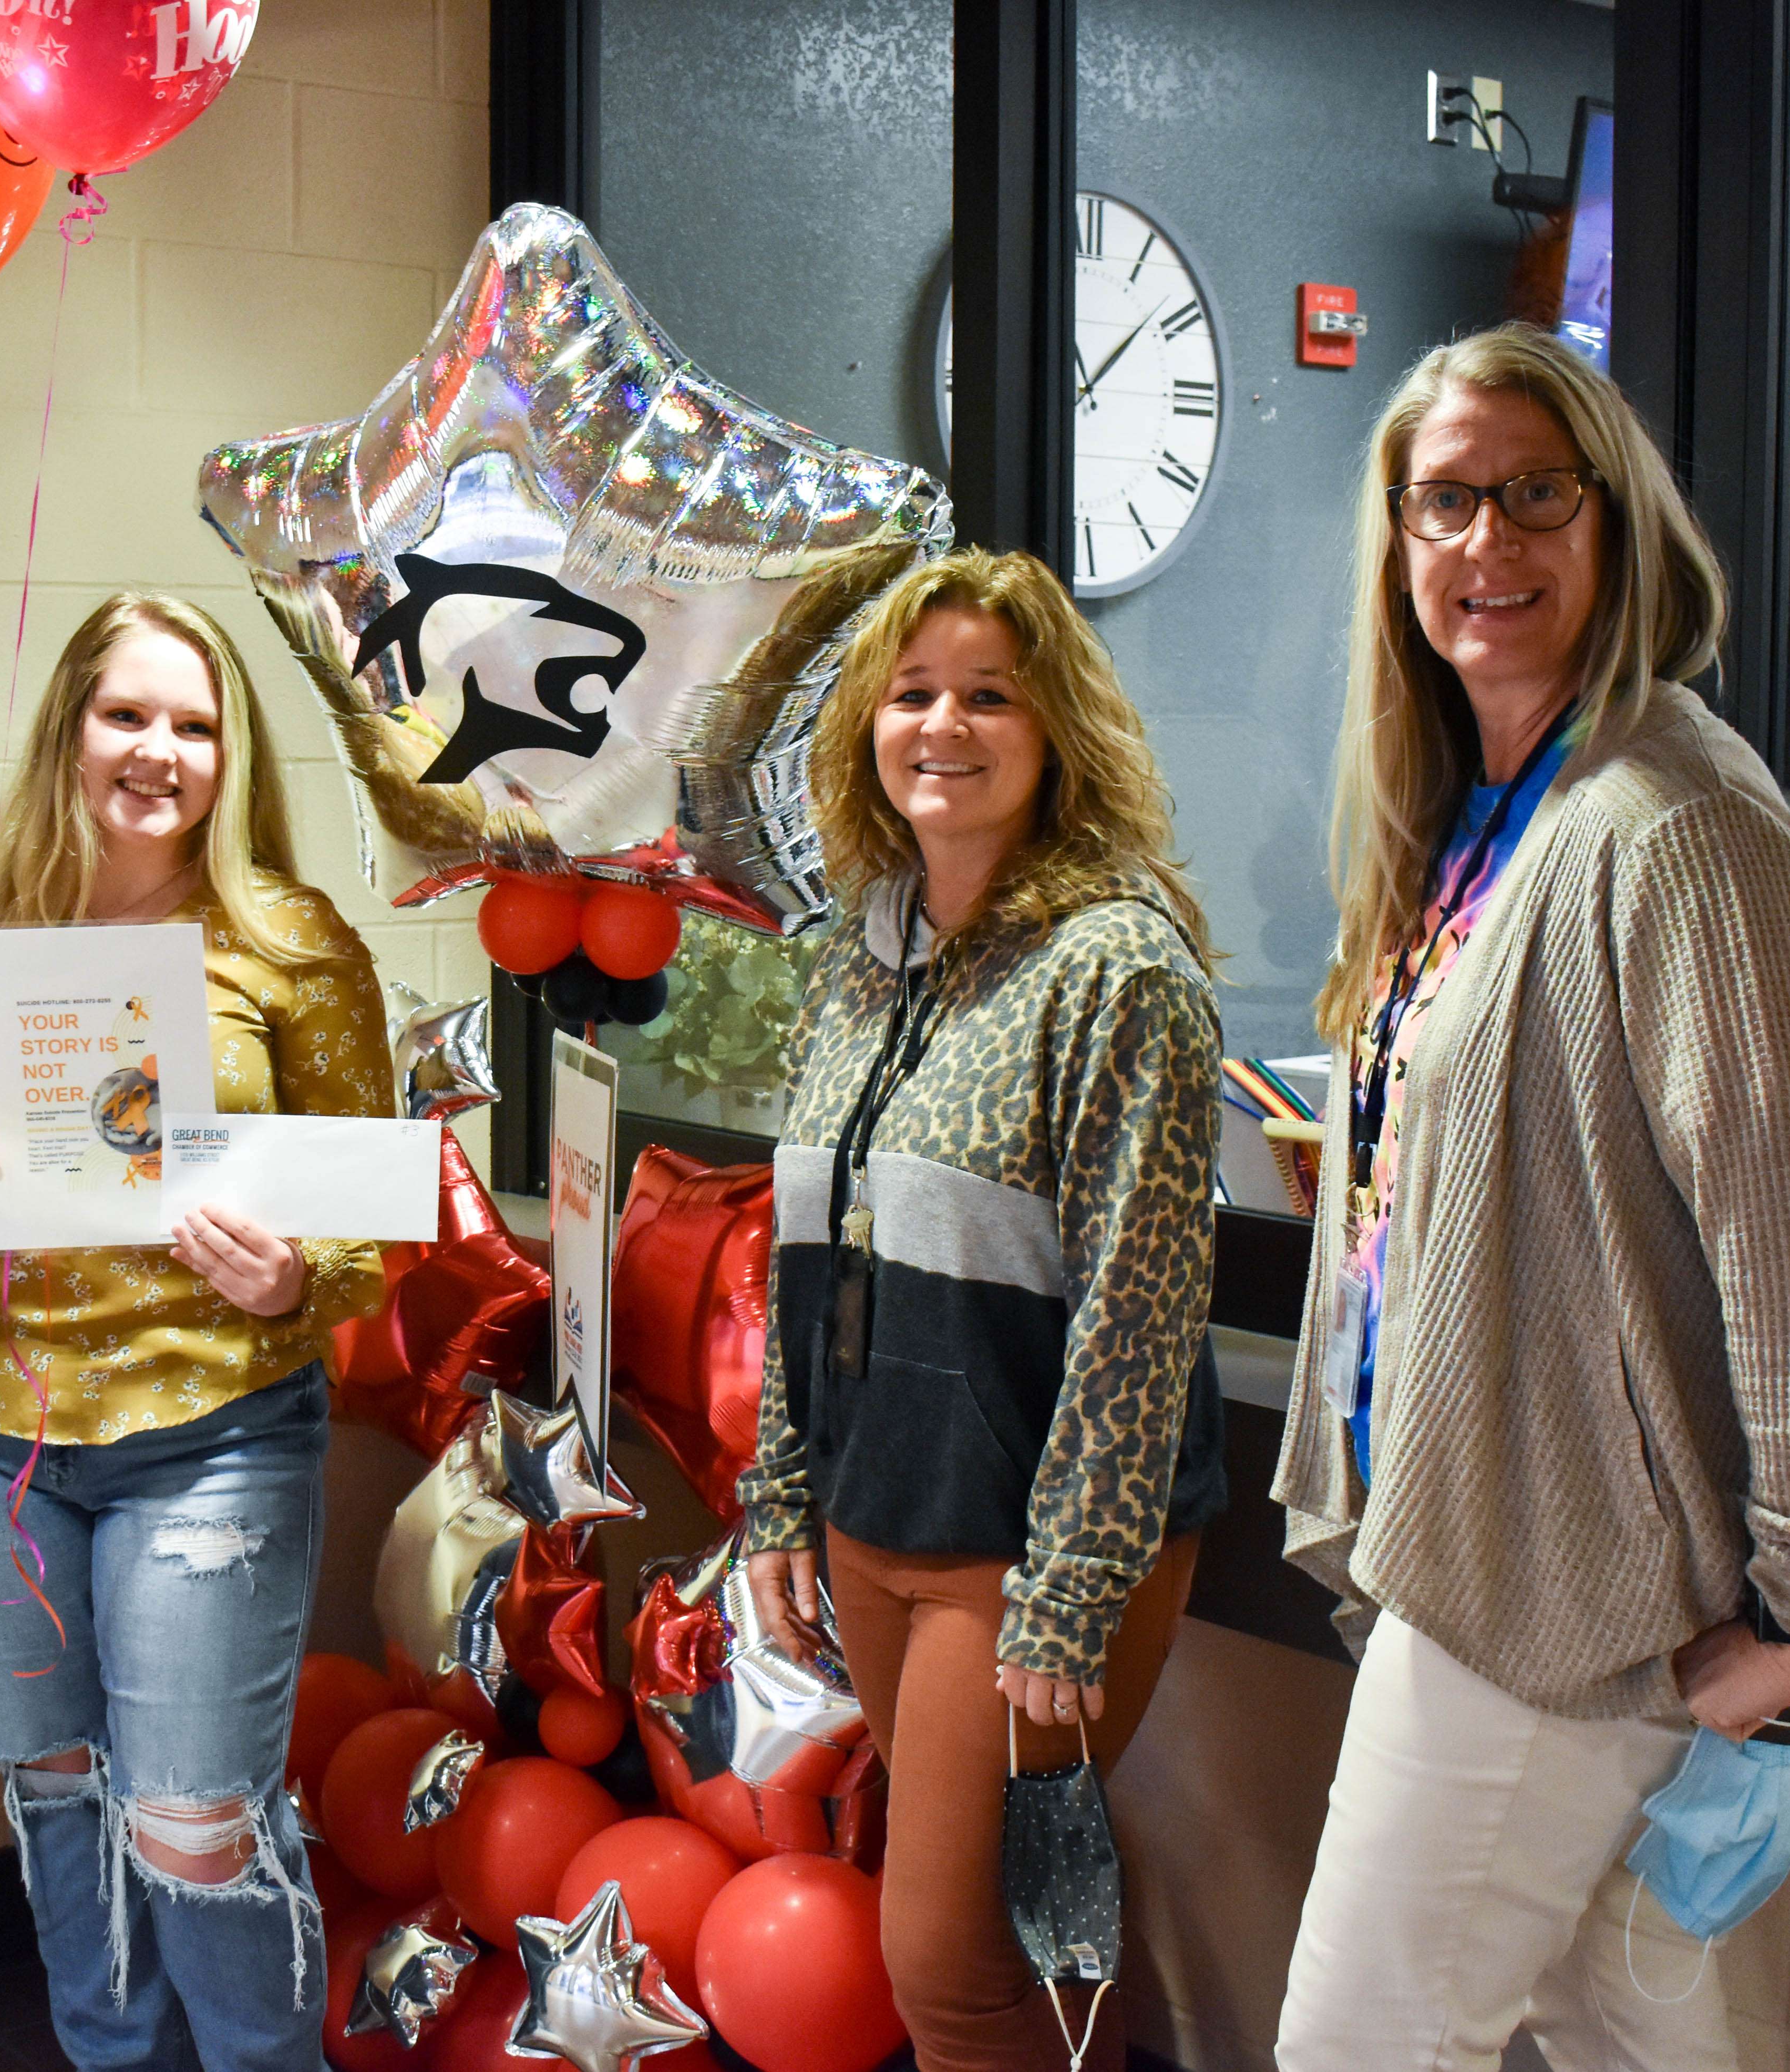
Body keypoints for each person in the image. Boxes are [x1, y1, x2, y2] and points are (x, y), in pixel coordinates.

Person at [1270, 323, 1790, 2070]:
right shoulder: (1476, 816)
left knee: (1356, 2047)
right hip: (1481, 1536)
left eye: (1536, 495)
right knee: (1614, 2038)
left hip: (1568, 1593)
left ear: (1616, 524)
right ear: (1396, 548)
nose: (1488, 545)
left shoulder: (1670, 819)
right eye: (1445, 503)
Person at [0, 592, 394, 2072]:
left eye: (194, 725)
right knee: (57, 1792)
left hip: (212, 1435)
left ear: (231, 754)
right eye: (126, 715)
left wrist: (294, 1279)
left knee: (195, 1824)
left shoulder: (291, 944)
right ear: (68, 729)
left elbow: (370, 1227)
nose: (158, 752)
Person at [738, 548, 1227, 2072]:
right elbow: (806, 1250)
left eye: (989, 697)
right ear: (865, 730)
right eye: (913, 693)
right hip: (879, 1509)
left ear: (1056, 730)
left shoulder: (1115, 968)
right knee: (1017, 1937)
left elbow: (1139, 1315)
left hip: (1025, 1544)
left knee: (943, 1968)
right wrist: (776, 1498)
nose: (943, 726)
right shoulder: (860, 955)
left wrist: (1072, 1587)